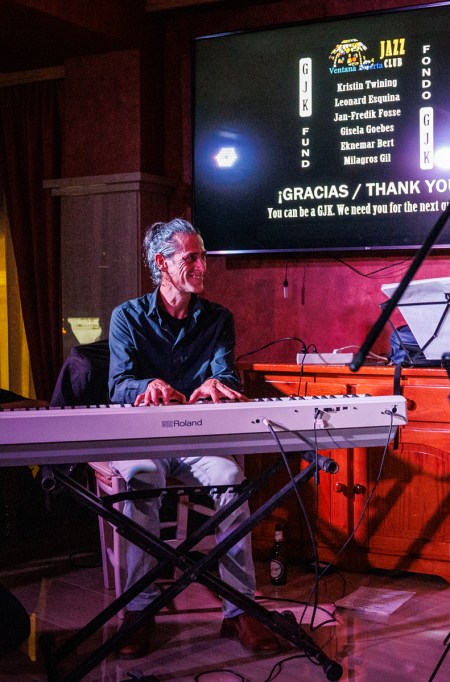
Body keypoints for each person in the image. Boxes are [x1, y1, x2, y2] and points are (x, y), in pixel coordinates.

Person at [107, 218, 281, 658]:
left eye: (203, 256)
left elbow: (224, 371)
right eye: (192, 258)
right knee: (142, 478)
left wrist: (216, 385)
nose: (203, 265)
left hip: (197, 438)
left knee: (232, 481)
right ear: (162, 263)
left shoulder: (219, 318)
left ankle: (239, 609)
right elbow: (119, 384)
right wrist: (148, 386)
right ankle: (139, 610)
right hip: (143, 438)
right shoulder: (127, 316)